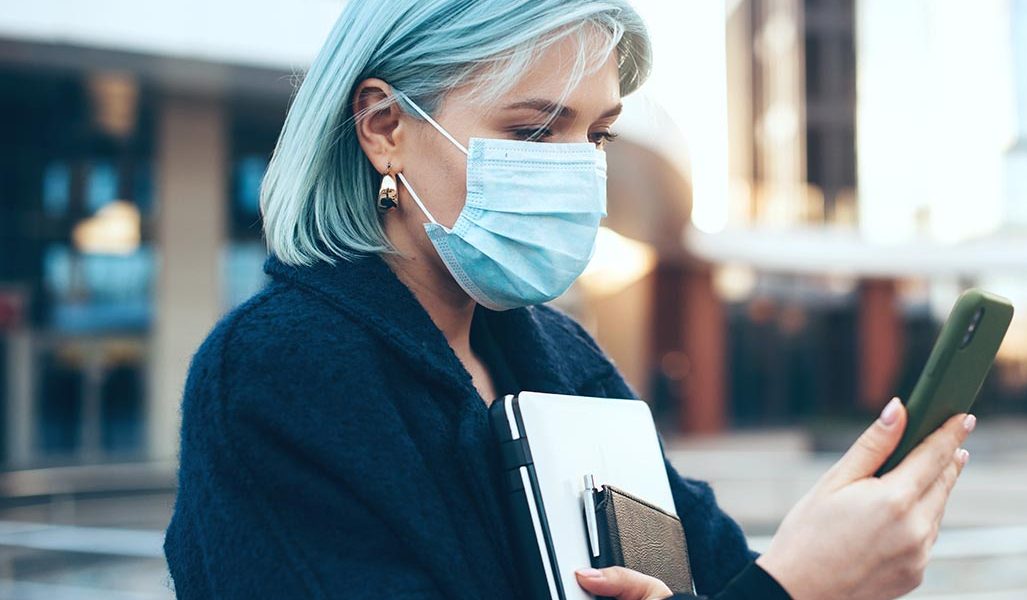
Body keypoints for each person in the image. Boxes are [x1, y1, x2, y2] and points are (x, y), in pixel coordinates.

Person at [163, 1, 974, 598]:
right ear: (383, 126)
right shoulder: (276, 375)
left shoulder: (556, 355)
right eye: (532, 130)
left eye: (598, 133)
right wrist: (800, 588)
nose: (577, 166)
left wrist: (826, 543)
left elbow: (711, 574)